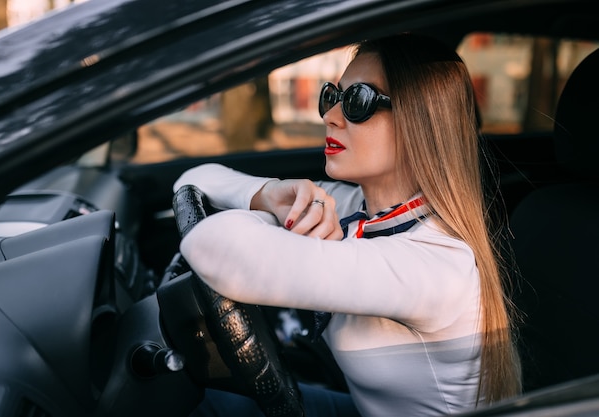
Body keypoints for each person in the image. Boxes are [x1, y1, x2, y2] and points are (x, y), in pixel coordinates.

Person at [174, 32, 522, 417]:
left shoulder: (434, 264)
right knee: (205, 402)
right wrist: (269, 194)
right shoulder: (356, 205)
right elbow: (196, 178)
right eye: (332, 95)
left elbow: (211, 247)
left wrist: (268, 219)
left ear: (420, 121)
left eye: (357, 101)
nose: (330, 115)